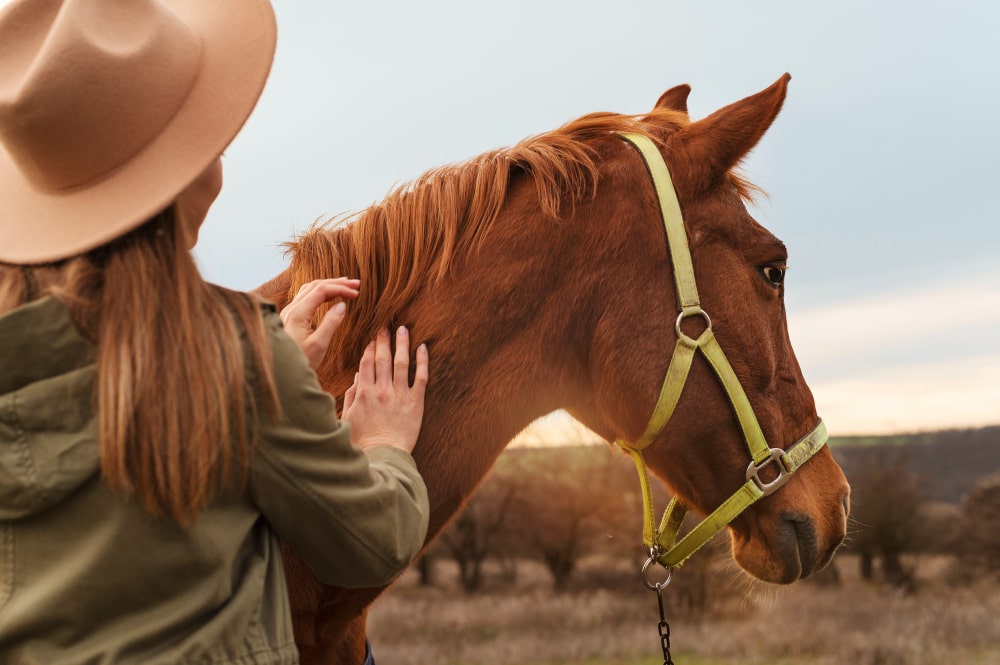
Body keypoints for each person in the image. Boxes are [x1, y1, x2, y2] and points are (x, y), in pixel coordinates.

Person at [0, 1, 430, 663]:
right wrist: (385, 443)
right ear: (187, 181)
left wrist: (264, 358)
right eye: (210, 142)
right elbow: (370, 542)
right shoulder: (236, 360)